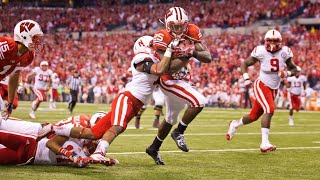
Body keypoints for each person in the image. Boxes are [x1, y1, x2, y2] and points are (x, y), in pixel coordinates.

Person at [37, 35, 185, 164]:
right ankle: (99, 153)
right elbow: (160, 69)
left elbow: (165, 69)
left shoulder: (155, 61)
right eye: (154, 46)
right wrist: (170, 51)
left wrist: (184, 57)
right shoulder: (141, 59)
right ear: (146, 46)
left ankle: (52, 128)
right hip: (128, 98)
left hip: (135, 103)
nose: (157, 49)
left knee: (93, 134)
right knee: (118, 127)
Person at [146, 6, 212, 165]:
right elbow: (168, 68)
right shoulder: (161, 36)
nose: (179, 29)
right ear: (168, 25)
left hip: (183, 80)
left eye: (182, 25)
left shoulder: (192, 30)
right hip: (168, 80)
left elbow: (207, 57)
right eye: (175, 26)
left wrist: (193, 52)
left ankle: (154, 147)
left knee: (170, 118)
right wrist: (186, 56)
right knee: (200, 101)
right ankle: (179, 132)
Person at [226, 29, 299, 152]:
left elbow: (295, 69)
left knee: (254, 116)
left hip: (274, 87)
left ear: (279, 42)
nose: (271, 43)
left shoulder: (285, 52)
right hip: (262, 84)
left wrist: (286, 73)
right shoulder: (260, 51)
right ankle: (264, 143)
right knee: (269, 109)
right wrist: (246, 78)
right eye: (269, 40)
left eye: (274, 41)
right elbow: (244, 64)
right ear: (265, 41)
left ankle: (235, 124)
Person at [0, 113, 111, 167]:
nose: (97, 139)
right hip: (34, 138)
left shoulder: (86, 153)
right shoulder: (78, 128)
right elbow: (51, 142)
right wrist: (68, 154)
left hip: (30, 157)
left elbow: (77, 163)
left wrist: (84, 160)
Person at [0, 19, 44, 122]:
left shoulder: (29, 56)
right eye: (35, 38)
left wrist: (10, 103)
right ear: (24, 36)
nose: (38, 42)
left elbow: (14, 77)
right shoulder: (5, 45)